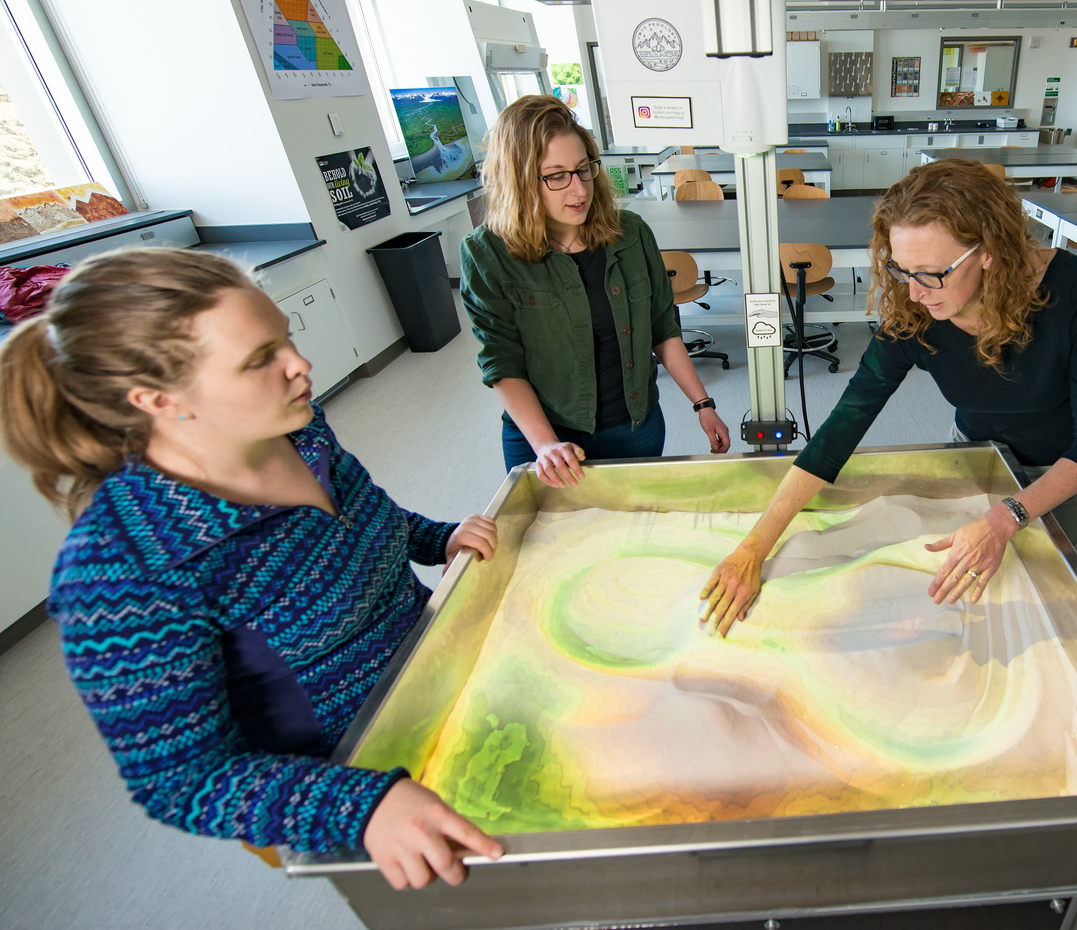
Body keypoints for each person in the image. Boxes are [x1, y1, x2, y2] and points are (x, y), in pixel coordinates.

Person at [0, 248, 504, 891]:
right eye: (258, 360)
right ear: (156, 399)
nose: (301, 365)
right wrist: (361, 806)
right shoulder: (121, 572)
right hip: (351, 784)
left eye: (284, 339)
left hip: (448, 691)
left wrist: (438, 539)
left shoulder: (300, 431)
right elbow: (181, 780)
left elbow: (367, 520)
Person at [701, 158, 1077, 636]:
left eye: (930, 274)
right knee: (976, 601)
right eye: (902, 271)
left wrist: (1009, 516)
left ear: (987, 251)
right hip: (979, 454)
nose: (916, 294)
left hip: (1065, 471)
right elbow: (845, 424)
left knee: (1046, 600)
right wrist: (754, 547)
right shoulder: (915, 311)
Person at [459, 95, 730, 481]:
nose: (579, 189)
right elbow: (501, 362)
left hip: (634, 427)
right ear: (517, 180)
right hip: (545, 439)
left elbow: (663, 328)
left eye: (583, 170)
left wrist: (703, 404)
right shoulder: (487, 253)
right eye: (556, 176)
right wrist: (546, 445)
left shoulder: (631, 233)